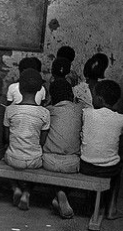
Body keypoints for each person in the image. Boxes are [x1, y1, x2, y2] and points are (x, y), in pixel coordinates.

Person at [3, 69, 50, 211]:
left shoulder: (10, 110)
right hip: (33, 160)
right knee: (37, 159)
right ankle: (27, 192)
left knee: (7, 158)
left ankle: (15, 187)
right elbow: (42, 141)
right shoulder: (45, 113)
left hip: (12, 158)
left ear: (19, 88)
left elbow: (6, 137)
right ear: (39, 90)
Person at [80, 80, 123, 220]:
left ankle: (90, 204)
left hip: (85, 166)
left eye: (93, 96)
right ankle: (111, 209)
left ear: (99, 99)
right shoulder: (122, 119)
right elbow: (119, 138)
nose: (92, 99)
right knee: (118, 166)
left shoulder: (87, 114)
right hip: (109, 169)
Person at [42, 79, 83, 219]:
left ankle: (59, 193)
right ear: (71, 94)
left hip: (48, 161)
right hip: (72, 163)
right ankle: (61, 193)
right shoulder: (79, 109)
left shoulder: (49, 110)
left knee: (53, 164)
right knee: (70, 166)